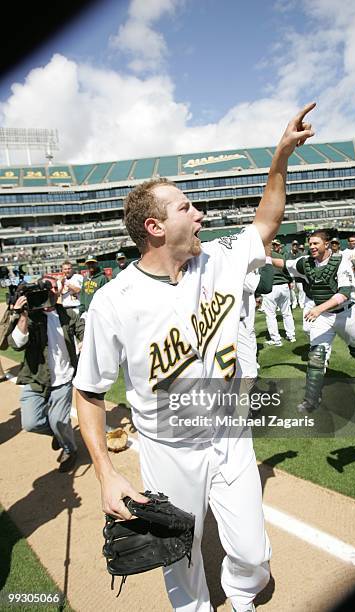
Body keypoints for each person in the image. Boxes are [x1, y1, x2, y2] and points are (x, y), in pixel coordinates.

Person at [73, 103, 316, 612]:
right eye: (186, 207)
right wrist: (105, 473)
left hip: (229, 431)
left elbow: (267, 220)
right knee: (179, 560)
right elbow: (89, 391)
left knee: (252, 551)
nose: (199, 213)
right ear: (155, 227)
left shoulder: (220, 261)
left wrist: (280, 158)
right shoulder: (113, 302)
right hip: (169, 447)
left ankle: (243, 594)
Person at [272, 230, 355, 414]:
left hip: (346, 314)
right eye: (310, 244)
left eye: (316, 244)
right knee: (316, 356)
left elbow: (344, 293)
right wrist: (264, 259)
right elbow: (284, 264)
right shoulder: (306, 263)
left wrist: (319, 308)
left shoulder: (340, 261)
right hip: (323, 317)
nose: (312, 247)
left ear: (326, 244)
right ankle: (312, 399)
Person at [8, 276, 84, 472]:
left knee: (59, 421)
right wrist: (23, 316)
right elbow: (16, 344)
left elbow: (84, 332)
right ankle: (59, 436)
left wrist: (85, 343)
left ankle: (70, 448)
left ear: (58, 291)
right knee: (31, 423)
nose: (48, 292)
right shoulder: (31, 317)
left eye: (51, 287)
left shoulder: (68, 314)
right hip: (35, 379)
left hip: (63, 379)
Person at [237, 251, 275, 394]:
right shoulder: (236, 267)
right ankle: (243, 408)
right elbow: (266, 285)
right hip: (236, 325)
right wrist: (268, 257)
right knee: (248, 372)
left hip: (242, 321)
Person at [262, 239, 296, 346]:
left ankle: (276, 340)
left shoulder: (261, 257)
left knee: (271, 314)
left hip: (271, 288)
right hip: (284, 286)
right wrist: (289, 281)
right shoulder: (280, 256)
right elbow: (287, 271)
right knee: (286, 313)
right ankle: (291, 336)